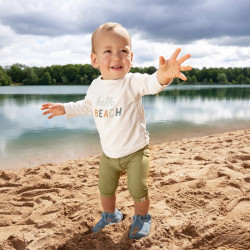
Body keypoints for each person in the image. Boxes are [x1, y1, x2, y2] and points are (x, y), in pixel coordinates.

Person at [41, 22, 192, 239]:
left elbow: (152, 83)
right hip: (109, 154)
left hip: (136, 151)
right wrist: (64, 108)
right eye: (108, 51)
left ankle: (141, 218)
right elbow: (86, 105)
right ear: (94, 60)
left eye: (123, 51)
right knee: (105, 190)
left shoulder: (132, 82)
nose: (116, 57)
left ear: (131, 56)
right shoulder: (96, 86)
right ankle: (111, 215)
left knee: (137, 189)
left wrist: (165, 75)